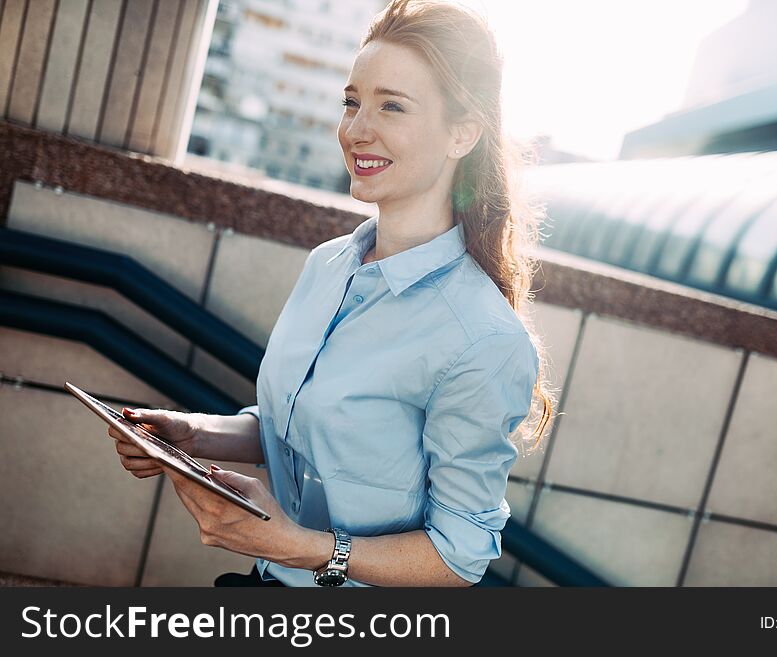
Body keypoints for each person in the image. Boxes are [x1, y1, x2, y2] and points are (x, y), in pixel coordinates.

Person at [108, 0, 557, 587]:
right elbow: (297, 429)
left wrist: (304, 548)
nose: (355, 129)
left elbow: (459, 555)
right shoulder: (330, 265)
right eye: (352, 102)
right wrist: (192, 434)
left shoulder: (484, 338)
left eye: (391, 106)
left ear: (463, 134)